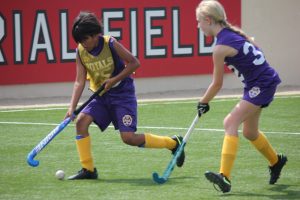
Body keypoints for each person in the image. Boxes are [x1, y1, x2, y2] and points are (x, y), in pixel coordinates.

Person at [65, 11, 185, 180]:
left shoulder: (110, 43)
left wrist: (114, 79)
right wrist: (72, 107)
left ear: (95, 34)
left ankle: (173, 143)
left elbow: (135, 62)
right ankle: (88, 169)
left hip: (122, 94)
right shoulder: (80, 52)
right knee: (81, 122)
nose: (83, 44)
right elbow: (79, 81)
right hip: (100, 96)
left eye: (85, 39)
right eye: (79, 41)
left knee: (128, 138)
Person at [195, 0, 287, 193]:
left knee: (230, 122)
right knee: (250, 132)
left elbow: (217, 83)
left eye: (199, 21)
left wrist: (203, 102)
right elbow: (256, 53)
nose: (198, 26)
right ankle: (276, 161)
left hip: (261, 85)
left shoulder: (220, 48)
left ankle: (224, 177)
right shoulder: (234, 34)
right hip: (258, 84)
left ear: (208, 20)